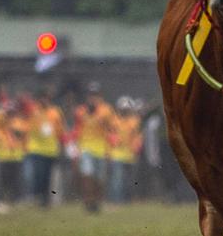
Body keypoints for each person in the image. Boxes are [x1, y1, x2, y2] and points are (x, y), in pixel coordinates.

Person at [72, 82, 115, 213]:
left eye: (95, 95)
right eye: (91, 95)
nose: (93, 98)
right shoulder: (80, 111)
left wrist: (110, 148)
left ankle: (97, 202)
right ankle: (88, 201)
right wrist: (76, 148)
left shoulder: (106, 111)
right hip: (86, 148)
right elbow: (77, 130)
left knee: (99, 178)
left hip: (101, 149)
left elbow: (111, 129)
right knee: (87, 175)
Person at [23, 90, 65, 207]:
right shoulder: (34, 111)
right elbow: (27, 125)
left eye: (45, 98)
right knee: (38, 173)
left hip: (50, 149)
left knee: (47, 175)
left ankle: (45, 198)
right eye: (41, 98)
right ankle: (37, 195)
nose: (44, 101)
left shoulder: (55, 112)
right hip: (36, 148)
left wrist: (61, 144)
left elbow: (60, 130)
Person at [106, 97, 143, 204]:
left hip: (130, 155)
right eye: (122, 109)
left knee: (129, 180)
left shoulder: (135, 121)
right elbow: (109, 135)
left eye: (126, 109)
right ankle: (116, 200)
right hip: (117, 154)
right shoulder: (114, 121)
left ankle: (127, 200)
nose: (124, 111)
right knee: (117, 179)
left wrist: (136, 146)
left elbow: (138, 136)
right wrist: (112, 144)